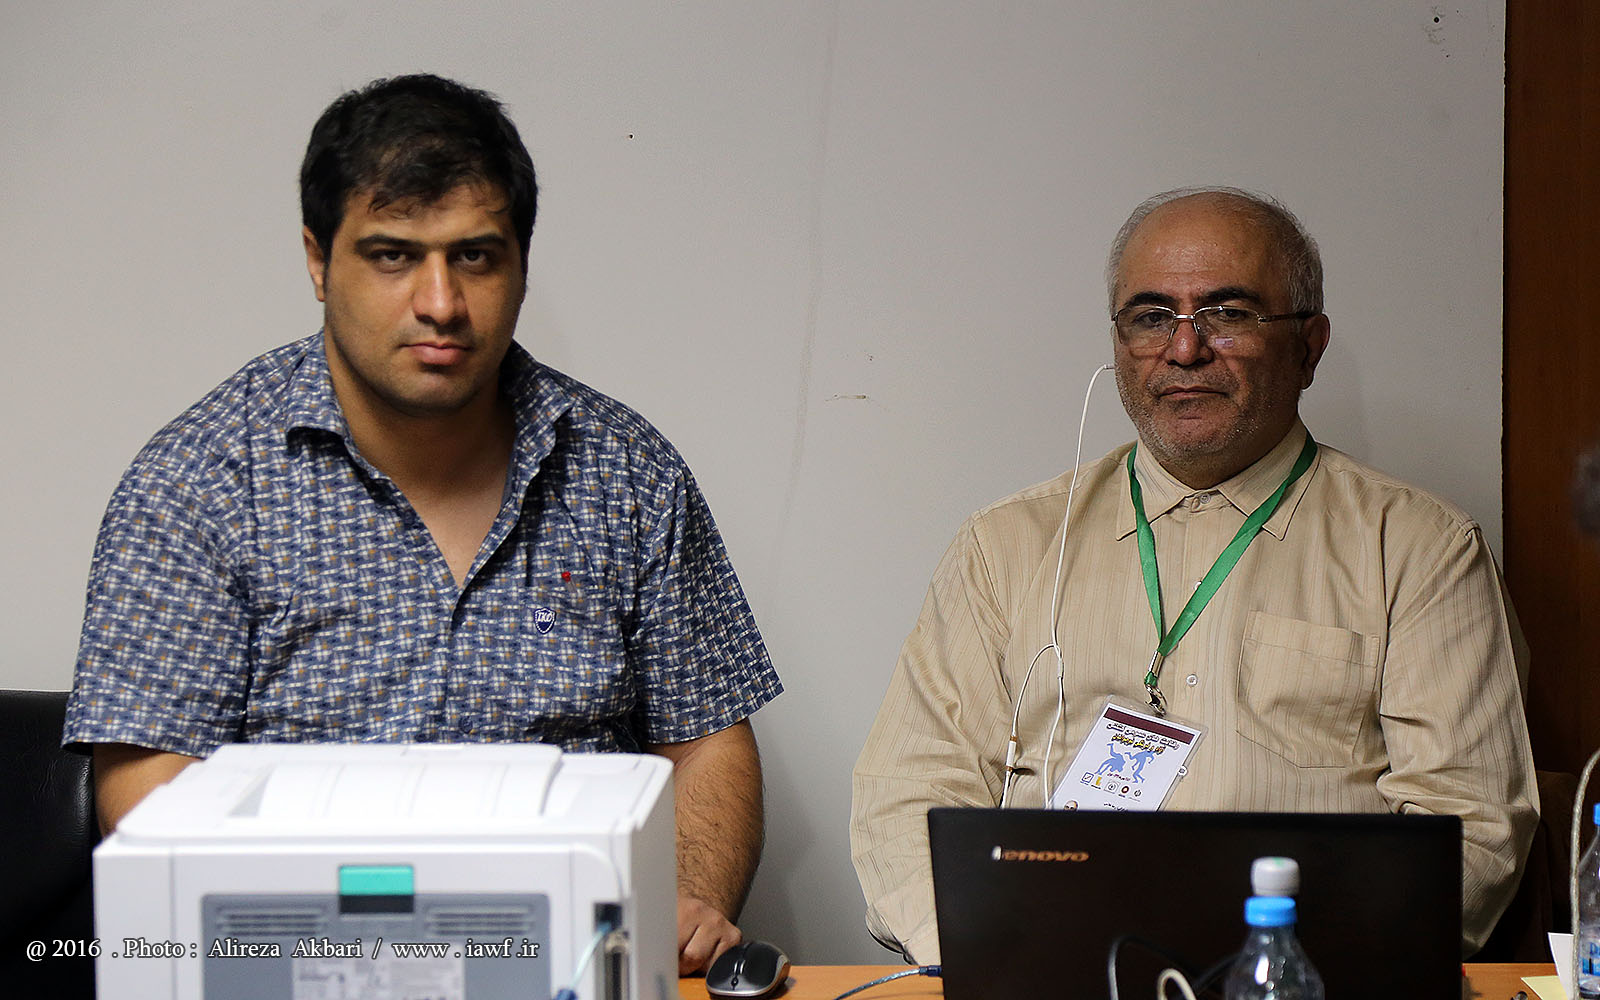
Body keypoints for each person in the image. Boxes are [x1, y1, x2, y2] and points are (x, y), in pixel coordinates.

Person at [63, 74, 781, 975]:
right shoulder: (194, 484)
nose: (441, 302)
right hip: (295, 970)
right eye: (393, 255)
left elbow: (708, 739)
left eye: (475, 256)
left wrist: (690, 899)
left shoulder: (628, 473)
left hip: (578, 963)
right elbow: (150, 790)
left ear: (522, 262)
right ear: (318, 259)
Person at [849, 186, 1537, 960]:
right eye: (1151, 317)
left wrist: (1274, 969)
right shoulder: (1004, 547)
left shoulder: (1419, 549)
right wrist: (991, 956)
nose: (1184, 350)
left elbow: (1469, 829)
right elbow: (906, 797)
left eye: (1228, 313)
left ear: (1309, 347)